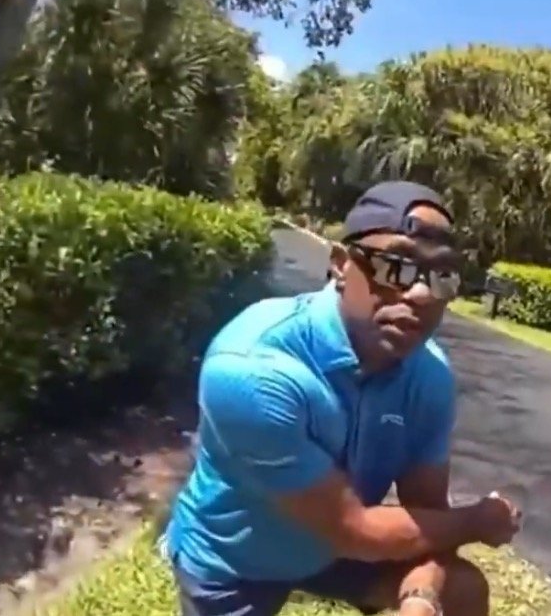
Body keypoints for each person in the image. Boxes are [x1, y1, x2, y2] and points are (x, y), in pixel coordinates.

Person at [163, 181, 521, 616]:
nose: (421, 294)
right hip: (236, 557)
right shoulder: (252, 367)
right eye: (396, 267)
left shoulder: (428, 374)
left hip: (337, 553)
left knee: (461, 590)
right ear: (339, 265)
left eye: (441, 276)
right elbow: (355, 530)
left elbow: (427, 517)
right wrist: (477, 521)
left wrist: (420, 599)